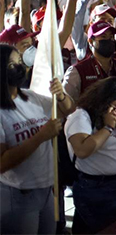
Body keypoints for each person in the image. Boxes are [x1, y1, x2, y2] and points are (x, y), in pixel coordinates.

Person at [0, 44, 76, 235]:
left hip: (46, 189)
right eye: (12, 64)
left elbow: (69, 109)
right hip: (19, 194)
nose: (19, 67)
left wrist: (61, 96)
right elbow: (2, 163)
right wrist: (41, 136)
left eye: (20, 61)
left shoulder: (30, 97)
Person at [65, 77, 116, 232]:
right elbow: (82, 150)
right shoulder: (81, 116)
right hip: (97, 188)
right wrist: (108, 128)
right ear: (103, 102)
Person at [63, 21, 116, 100]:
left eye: (111, 37)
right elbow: (65, 102)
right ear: (91, 41)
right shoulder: (77, 71)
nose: (109, 40)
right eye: (103, 36)